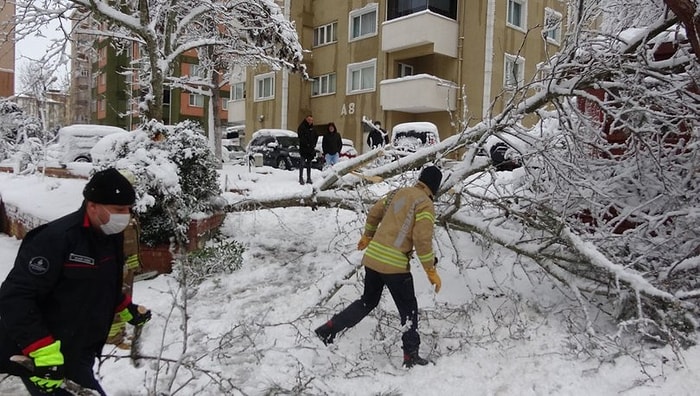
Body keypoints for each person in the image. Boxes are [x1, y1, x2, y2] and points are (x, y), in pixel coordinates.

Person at [0, 168, 152, 395]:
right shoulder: (55, 239)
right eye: (119, 210)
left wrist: (124, 306)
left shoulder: (109, 235)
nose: (126, 216)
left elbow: (98, 282)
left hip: (79, 347)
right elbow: (15, 297)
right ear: (92, 206)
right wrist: (42, 350)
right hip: (43, 350)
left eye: (128, 210)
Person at [314, 166, 443, 368]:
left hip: (373, 259)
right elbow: (422, 239)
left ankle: (328, 329)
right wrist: (430, 268)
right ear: (435, 187)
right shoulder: (425, 203)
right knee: (408, 310)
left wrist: (368, 235)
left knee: (367, 301)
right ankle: (411, 356)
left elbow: (374, 212)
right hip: (395, 266)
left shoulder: (397, 192)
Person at [297, 114, 318, 184]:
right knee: (302, 163)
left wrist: (313, 144)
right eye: (309, 120)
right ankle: (301, 177)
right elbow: (301, 137)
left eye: (311, 120)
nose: (310, 121)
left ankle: (309, 178)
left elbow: (316, 136)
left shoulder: (313, 128)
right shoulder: (301, 127)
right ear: (306, 119)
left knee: (309, 164)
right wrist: (307, 144)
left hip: (311, 149)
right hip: (304, 148)